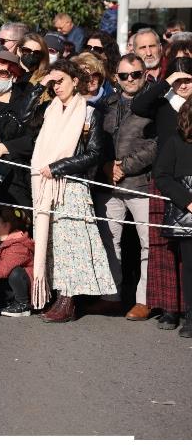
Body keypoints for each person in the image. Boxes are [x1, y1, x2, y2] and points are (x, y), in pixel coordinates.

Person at [29, 59, 115, 323]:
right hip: (46, 187)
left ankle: (68, 302)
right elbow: (23, 118)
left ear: (75, 81)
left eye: (61, 81)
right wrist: (38, 87)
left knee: (71, 247)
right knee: (53, 244)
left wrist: (58, 167)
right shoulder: (49, 109)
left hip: (71, 186)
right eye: (53, 82)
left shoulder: (90, 112)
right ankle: (58, 297)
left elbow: (94, 154)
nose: (56, 87)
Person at [132, 56, 192, 328]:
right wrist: (166, 81)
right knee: (162, 247)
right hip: (164, 180)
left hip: (190, 182)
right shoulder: (162, 101)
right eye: (178, 80)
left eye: (188, 79)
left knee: (188, 253)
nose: (183, 85)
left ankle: (189, 310)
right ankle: (169, 309)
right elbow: (138, 104)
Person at [96, 54, 155, 320]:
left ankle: (144, 300)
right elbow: (98, 138)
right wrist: (108, 165)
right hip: (109, 184)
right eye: (123, 75)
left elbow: (157, 144)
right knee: (109, 241)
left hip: (142, 183)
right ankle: (111, 296)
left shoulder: (157, 104)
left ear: (145, 74)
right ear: (115, 78)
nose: (130, 79)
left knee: (149, 245)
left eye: (135, 74)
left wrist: (125, 166)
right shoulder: (106, 104)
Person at [151, 98, 192, 338]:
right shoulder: (176, 143)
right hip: (187, 215)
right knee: (190, 267)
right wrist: (187, 201)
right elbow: (162, 175)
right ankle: (190, 316)